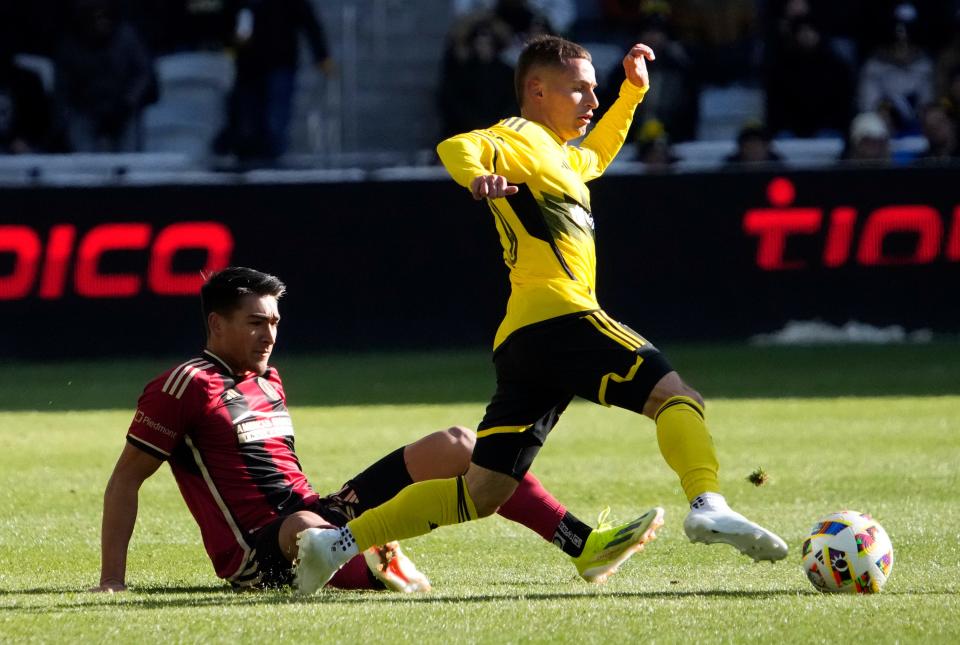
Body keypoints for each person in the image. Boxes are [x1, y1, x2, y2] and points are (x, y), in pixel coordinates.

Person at [293, 36, 788, 593]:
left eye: (594, 90)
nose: (591, 100)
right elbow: (458, 145)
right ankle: (708, 503)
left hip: (525, 337)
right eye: (579, 88)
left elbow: (596, 155)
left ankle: (332, 545)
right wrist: (476, 175)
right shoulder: (523, 137)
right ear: (536, 89)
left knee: (482, 491)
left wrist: (630, 94)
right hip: (564, 316)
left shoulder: (561, 155)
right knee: (677, 398)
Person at [91, 267, 658, 594]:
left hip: (318, 511)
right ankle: (372, 562)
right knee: (308, 530)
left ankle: (581, 544)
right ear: (216, 324)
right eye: (255, 323)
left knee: (462, 443)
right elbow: (125, 481)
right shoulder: (182, 385)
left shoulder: (268, 379)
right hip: (263, 551)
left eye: (275, 323)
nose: (270, 335)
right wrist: (112, 581)